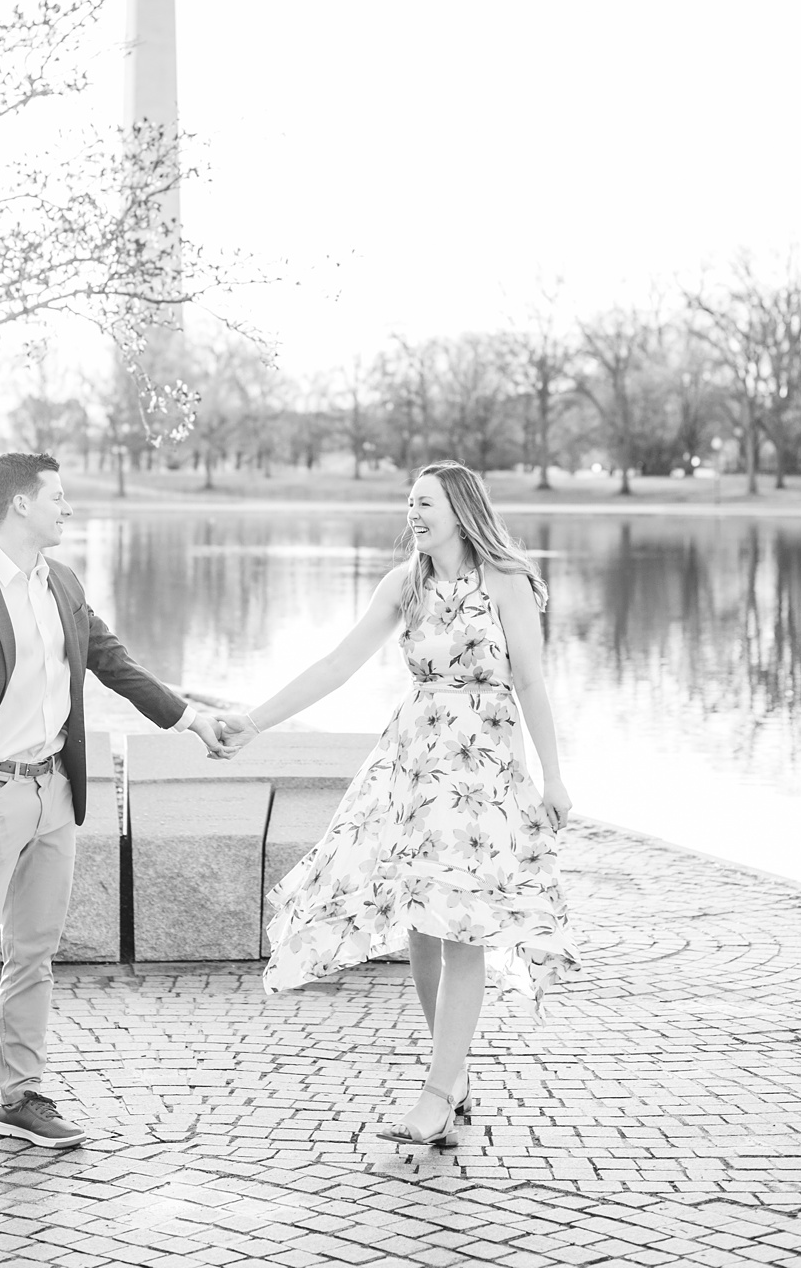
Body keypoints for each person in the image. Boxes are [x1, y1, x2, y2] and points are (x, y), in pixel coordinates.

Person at [220, 461, 580, 1147]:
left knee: (462, 925)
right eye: (409, 502)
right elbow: (335, 665)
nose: (413, 514)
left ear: (461, 509)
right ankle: (456, 1073)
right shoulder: (404, 585)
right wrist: (256, 721)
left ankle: (439, 1092)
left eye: (427, 503)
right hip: (415, 764)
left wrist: (553, 779)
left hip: (484, 769)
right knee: (420, 923)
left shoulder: (507, 583)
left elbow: (531, 682)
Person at [0, 450, 225, 1172]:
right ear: (20, 504)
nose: (68, 508)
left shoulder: (65, 585)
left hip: (56, 794)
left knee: (36, 954)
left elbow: (115, 663)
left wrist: (190, 718)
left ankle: (20, 1099)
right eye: (57, 497)